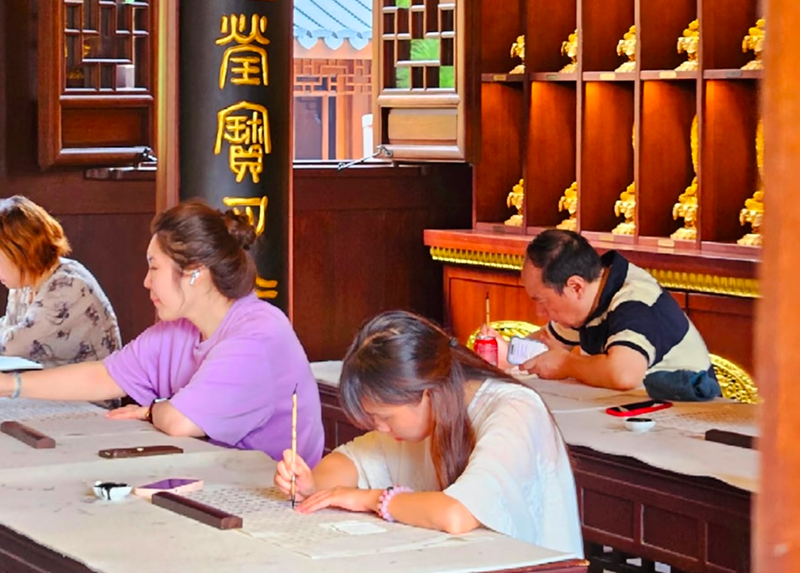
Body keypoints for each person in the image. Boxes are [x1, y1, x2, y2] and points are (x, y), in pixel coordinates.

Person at [0, 199, 325, 464]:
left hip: (271, 496)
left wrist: (154, 409)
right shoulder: (180, 328)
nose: (146, 281)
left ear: (195, 272)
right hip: (206, 473)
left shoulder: (257, 335)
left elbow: (180, 421)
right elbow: (105, 376)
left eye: (154, 267)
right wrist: (8, 386)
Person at [273, 310, 582, 554]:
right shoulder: (424, 417)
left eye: (384, 417)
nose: (381, 428)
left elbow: (457, 514)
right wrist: (312, 485)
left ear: (425, 392)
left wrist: (372, 500)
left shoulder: (514, 410)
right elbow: (352, 461)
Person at [493, 229, 720, 401]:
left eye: (542, 301)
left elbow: (623, 374)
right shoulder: (589, 299)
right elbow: (548, 344)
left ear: (576, 287)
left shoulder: (635, 300)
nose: (539, 313)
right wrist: (507, 353)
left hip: (687, 417)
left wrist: (566, 364)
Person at [0, 195, 121, 366]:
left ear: (20, 252)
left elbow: (12, 347)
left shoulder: (67, 286)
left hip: (86, 389)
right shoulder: (24, 282)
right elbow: (7, 327)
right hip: (48, 385)